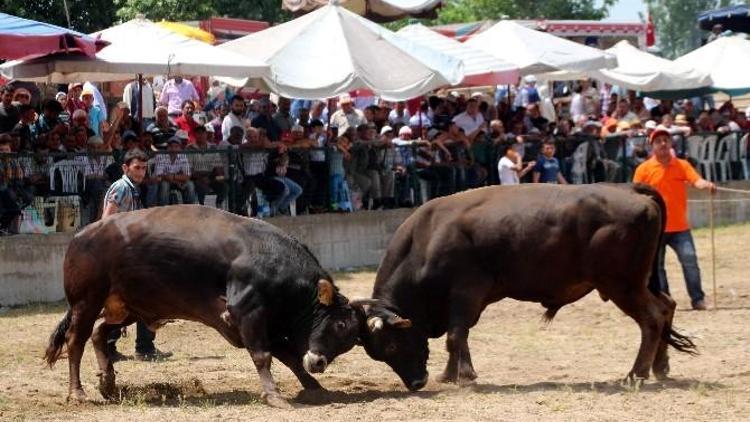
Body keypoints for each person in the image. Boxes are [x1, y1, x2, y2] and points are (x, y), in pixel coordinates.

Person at [633, 128, 716, 310]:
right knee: (657, 269)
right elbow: (635, 196)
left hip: (680, 227)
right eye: (658, 141)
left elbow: (696, 180)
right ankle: (664, 300)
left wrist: (706, 185)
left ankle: (698, 299)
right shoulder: (643, 170)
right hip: (655, 229)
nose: (663, 144)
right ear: (652, 146)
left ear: (671, 144)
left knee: (690, 261)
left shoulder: (682, 165)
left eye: (666, 140)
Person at [102, 149, 173, 361]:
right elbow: (107, 220)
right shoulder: (122, 187)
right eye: (137, 167)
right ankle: (139, 347)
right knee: (137, 298)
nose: (141, 172)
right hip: (120, 254)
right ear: (125, 168)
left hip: (128, 253)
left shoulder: (132, 189)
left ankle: (133, 347)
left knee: (133, 299)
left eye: (144, 168)